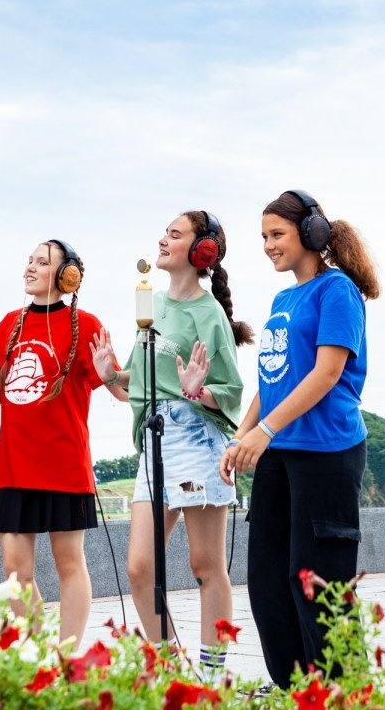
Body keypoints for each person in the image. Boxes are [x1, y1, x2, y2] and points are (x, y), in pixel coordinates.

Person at [0, 240, 120, 645]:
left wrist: (112, 373)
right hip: (13, 466)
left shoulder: (87, 324)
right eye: (29, 261)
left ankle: (66, 657)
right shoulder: (10, 322)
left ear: (66, 275)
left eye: (41, 262)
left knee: (69, 564)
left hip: (65, 465)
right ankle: (35, 655)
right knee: (15, 571)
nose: (29, 267)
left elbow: (119, 389)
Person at [220, 189, 380, 688]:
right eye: (263, 237)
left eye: (278, 234)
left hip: (326, 453)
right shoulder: (282, 299)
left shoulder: (337, 291)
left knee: (317, 584)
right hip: (278, 453)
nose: (268, 245)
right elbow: (272, 380)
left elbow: (326, 373)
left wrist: (265, 431)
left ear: (311, 232)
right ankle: (296, 689)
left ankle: (342, 691)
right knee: (268, 583)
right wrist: (242, 435)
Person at [89, 211, 252, 677]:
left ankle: (212, 676)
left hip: (195, 437)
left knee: (205, 564)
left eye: (174, 234)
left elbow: (231, 390)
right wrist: (110, 376)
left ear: (202, 251)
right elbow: (138, 385)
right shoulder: (153, 304)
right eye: (164, 232)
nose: (162, 240)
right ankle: (171, 670)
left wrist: (199, 389)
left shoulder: (209, 313)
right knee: (140, 568)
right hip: (153, 437)